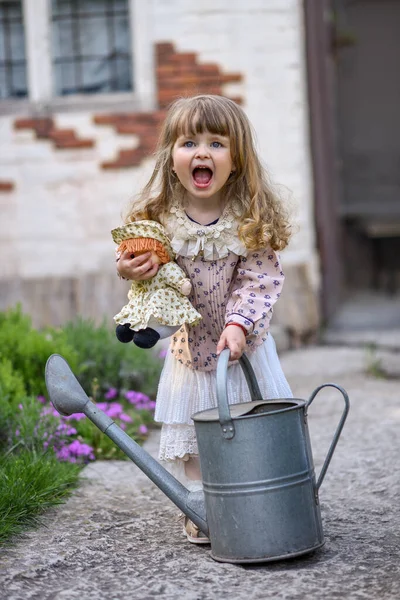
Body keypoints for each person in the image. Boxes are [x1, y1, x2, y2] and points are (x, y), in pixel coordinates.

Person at [116, 94, 293, 544]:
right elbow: (142, 262)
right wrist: (129, 267)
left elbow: (259, 280)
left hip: (242, 346)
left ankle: (254, 493)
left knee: (250, 422)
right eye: (189, 142)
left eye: (216, 144)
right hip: (189, 350)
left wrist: (238, 324)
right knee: (194, 432)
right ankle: (202, 503)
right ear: (171, 156)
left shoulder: (248, 221)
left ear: (236, 159)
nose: (201, 153)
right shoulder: (158, 219)